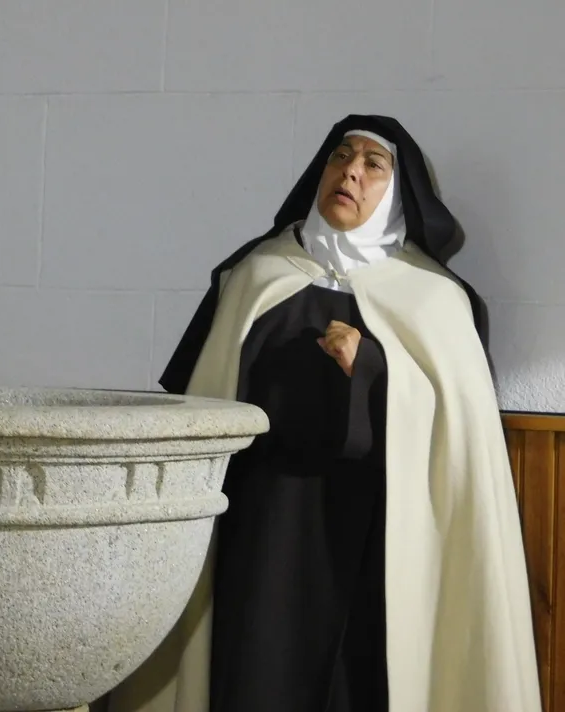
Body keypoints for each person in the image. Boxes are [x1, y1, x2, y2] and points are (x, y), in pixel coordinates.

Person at [106, 115, 541, 712]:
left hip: (376, 539)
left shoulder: (435, 299)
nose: (351, 172)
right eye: (341, 156)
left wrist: (372, 368)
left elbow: (457, 438)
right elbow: (202, 405)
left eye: (373, 165)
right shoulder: (255, 275)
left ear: (397, 193)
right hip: (261, 529)